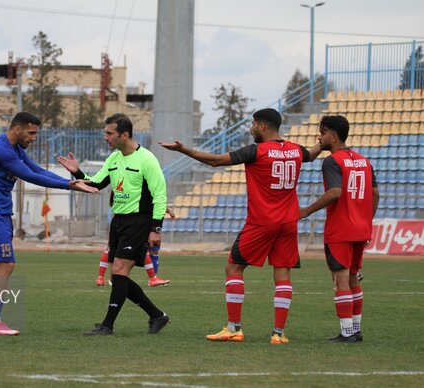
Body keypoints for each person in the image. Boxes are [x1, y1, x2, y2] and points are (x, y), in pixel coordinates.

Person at [160, 108, 321, 344]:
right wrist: (324, 143)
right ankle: (279, 334)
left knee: (233, 268)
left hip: (262, 221)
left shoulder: (256, 151)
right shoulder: (296, 150)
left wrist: (185, 150)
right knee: (282, 273)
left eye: (254, 124)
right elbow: (312, 154)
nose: (251, 128)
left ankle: (234, 328)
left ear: (263, 126)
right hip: (288, 222)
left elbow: (215, 162)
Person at [0, 112, 97, 336]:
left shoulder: (14, 149)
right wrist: (68, 186)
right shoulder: (0, 150)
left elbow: (37, 170)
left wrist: (70, 181)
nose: (34, 138)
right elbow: (30, 176)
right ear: (17, 129)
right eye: (31, 133)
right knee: (6, 265)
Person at [57, 113, 170, 336]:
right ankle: (157, 315)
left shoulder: (147, 159)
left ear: (124, 135)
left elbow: (160, 196)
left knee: (118, 271)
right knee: (117, 277)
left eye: (109, 133)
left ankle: (107, 326)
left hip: (139, 221)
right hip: (118, 221)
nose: (105, 137)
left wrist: (156, 229)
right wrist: (77, 172)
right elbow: (97, 183)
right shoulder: (114, 158)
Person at [300, 115, 379, 343]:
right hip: (361, 229)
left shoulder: (332, 161)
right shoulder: (364, 160)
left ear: (333, 137)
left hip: (341, 229)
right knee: (353, 277)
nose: (319, 136)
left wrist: (306, 211)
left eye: (322, 133)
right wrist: (366, 220)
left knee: (340, 279)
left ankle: (347, 332)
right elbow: (375, 194)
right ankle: (355, 329)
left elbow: (335, 192)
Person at [96, 206, 174, 287]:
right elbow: (151, 201)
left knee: (110, 248)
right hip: (133, 221)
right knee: (143, 248)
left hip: (121, 219)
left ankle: (101, 278)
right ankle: (152, 278)